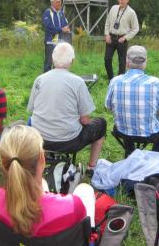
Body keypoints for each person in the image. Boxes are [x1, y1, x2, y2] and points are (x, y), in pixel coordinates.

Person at [0, 125, 94, 238]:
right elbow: (83, 235)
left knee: (44, 185)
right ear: (42, 158)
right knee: (85, 189)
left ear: (3, 164)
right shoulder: (71, 207)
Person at [28, 42, 106, 171]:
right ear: (72, 60)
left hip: (39, 138)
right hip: (69, 141)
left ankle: (46, 157)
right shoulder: (78, 82)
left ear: (53, 59)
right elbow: (85, 120)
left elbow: (31, 110)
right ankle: (91, 167)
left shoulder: (39, 79)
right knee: (101, 124)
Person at [105, 45, 159, 155]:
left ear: (127, 62)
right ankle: (155, 152)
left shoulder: (115, 81)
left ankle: (130, 150)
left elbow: (108, 107)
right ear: (145, 63)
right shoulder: (155, 82)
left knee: (126, 119)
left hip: (122, 131)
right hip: (149, 133)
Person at [104, 0, 139, 80]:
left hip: (122, 39)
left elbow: (135, 29)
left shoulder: (131, 12)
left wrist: (125, 38)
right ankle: (111, 79)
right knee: (107, 59)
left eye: (123, 0)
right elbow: (107, 22)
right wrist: (107, 34)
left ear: (127, 0)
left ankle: (120, 80)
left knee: (122, 62)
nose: (121, 1)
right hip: (111, 37)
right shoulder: (113, 8)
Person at [42, 0, 70, 72]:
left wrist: (67, 28)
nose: (60, 3)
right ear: (53, 3)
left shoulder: (61, 13)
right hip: (50, 42)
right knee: (49, 62)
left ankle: (56, 80)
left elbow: (65, 24)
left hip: (61, 42)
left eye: (60, 1)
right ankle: (46, 80)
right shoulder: (47, 12)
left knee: (58, 62)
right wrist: (61, 29)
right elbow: (48, 27)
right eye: (58, 2)